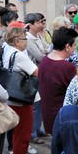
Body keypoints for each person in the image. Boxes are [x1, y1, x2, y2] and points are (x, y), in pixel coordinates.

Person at [39, 28, 78, 154]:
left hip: (48, 113)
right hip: (63, 116)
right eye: (75, 45)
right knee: (64, 153)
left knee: (56, 150)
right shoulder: (67, 67)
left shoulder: (45, 61)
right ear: (68, 46)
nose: (76, 48)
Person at [2, 26, 40, 154]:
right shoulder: (19, 55)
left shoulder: (8, 50)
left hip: (12, 97)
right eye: (25, 39)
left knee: (17, 133)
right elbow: (36, 72)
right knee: (23, 134)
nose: (27, 41)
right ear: (17, 41)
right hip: (22, 99)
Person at [26, 13, 49, 145]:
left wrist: (46, 51)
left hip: (40, 73)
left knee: (40, 103)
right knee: (35, 104)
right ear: (30, 25)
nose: (42, 25)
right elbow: (40, 56)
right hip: (33, 74)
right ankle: (32, 133)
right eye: (39, 22)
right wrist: (46, 51)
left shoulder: (38, 36)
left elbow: (49, 48)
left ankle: (38, 128)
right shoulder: (28, 39)